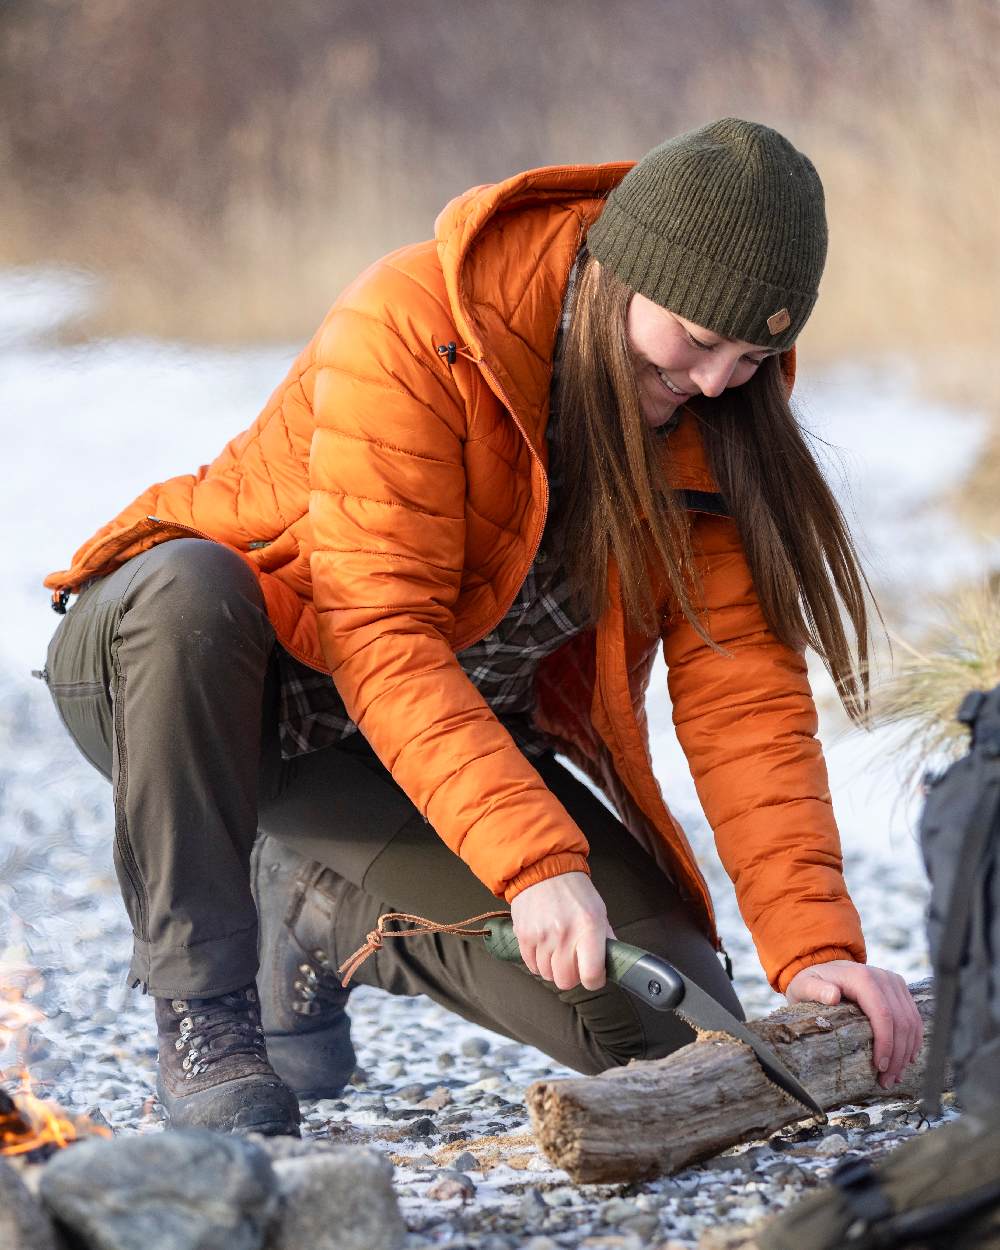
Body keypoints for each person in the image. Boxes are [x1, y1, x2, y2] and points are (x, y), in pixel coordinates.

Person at [42, 118, 923, 1136]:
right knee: (189, 589)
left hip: (397, 755)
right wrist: (535, 863)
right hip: (190, 685)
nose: (720, 379)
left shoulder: (716, 424)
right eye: (699, 339)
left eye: (756, 353)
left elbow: (744, 697)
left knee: (667, 1025)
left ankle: (314, 905)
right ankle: (205, 1012)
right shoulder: (417, 321)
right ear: (617, 274)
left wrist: (813, 945)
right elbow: (382, 633)